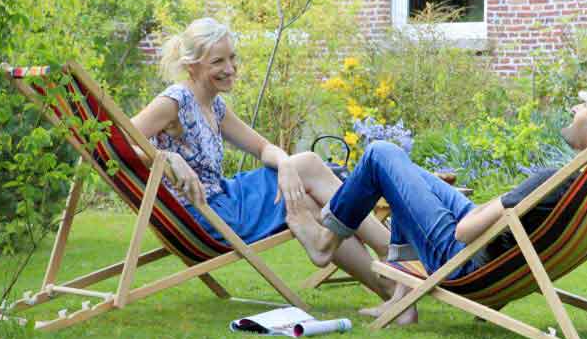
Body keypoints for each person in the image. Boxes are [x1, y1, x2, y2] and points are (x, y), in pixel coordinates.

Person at [286, 73, 587, 324]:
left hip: (464, 258)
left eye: (584, 107)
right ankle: (402, 296)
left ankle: (324, 241)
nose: (574, 109)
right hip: (495, 251)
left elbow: (466, 232)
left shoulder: (551, 182)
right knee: (401, 172)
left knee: (380, 153)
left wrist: (493, 204)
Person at [131, 17, 396, 302]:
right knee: (306, 165)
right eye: (217, 62)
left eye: (232, 58)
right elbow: (119, 144)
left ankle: (390, 291)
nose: (230, 68)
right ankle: (391, 251)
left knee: (305, 202)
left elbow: (262, 147)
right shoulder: (173, 102)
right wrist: (166, 157)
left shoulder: (214, 105)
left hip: (223, 199)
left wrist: (283, 165)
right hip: (205, 216)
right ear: (192, 65)